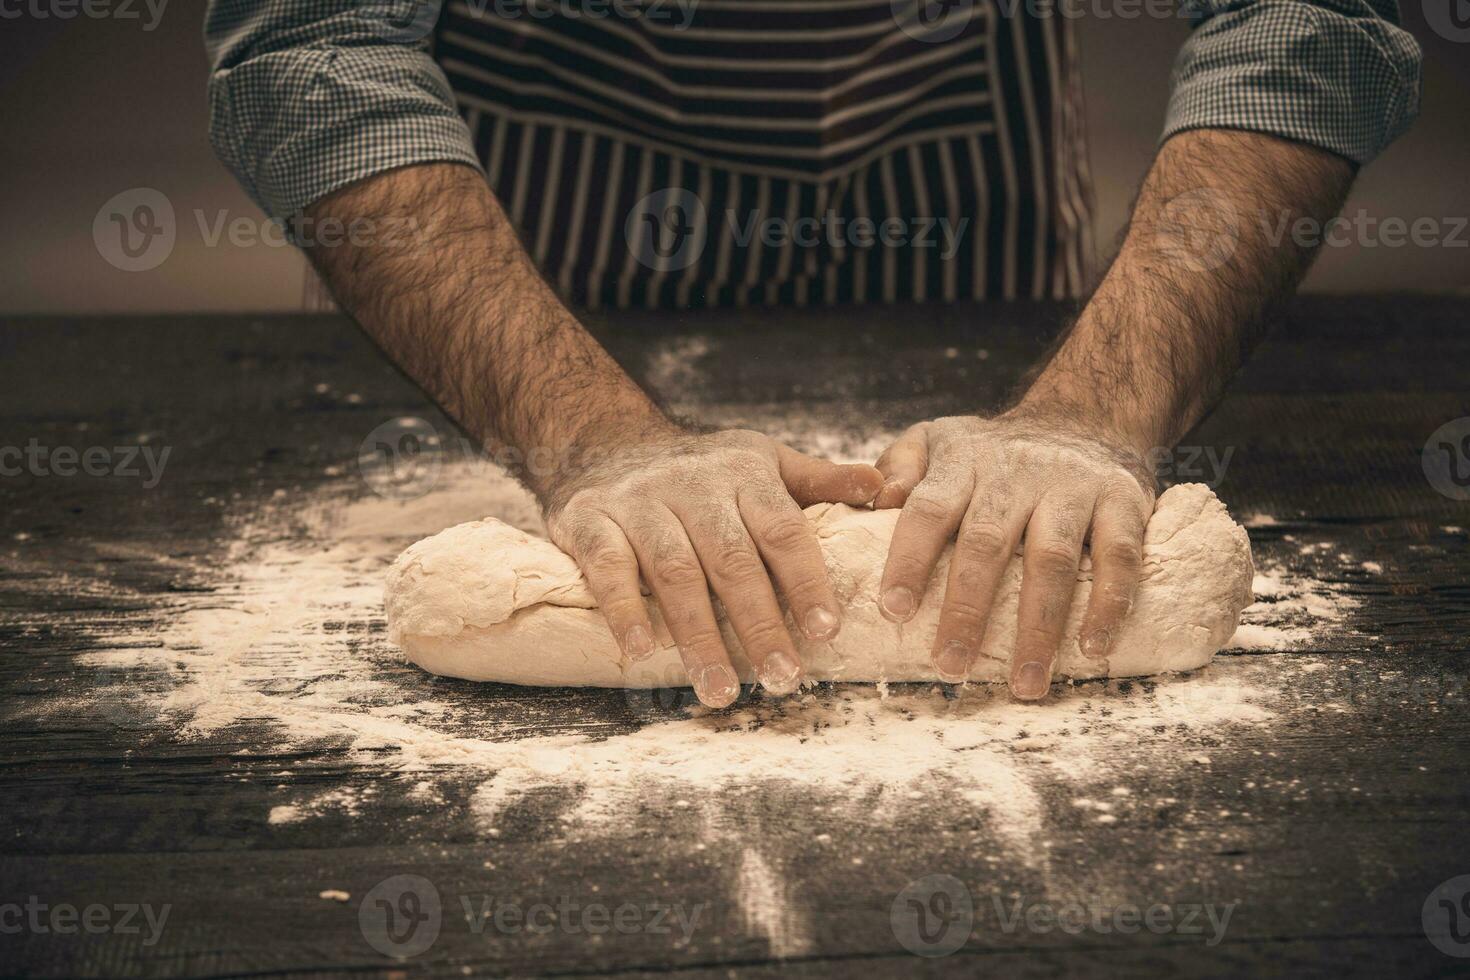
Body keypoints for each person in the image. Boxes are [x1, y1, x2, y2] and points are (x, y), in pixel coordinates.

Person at [204, 0, 1420, 706]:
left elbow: (1301, 18)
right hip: (539, 222)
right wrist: (585, 437)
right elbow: (317, 50)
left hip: (954, 178)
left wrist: (1092, 412)